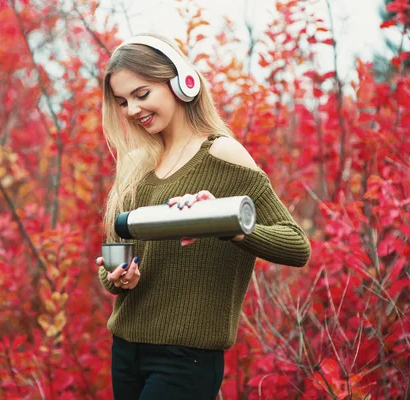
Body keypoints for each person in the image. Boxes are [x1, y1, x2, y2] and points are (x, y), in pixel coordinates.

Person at [94, 33, 311, 399]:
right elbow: (115, 257)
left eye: (142, 94)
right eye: (122, 102)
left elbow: (296, 245)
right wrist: (117, 276)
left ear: (182, 82)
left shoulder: (223, 153)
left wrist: (224, 221)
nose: (132, 110)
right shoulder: (135, 164)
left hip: (185, 358)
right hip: (125, 349)